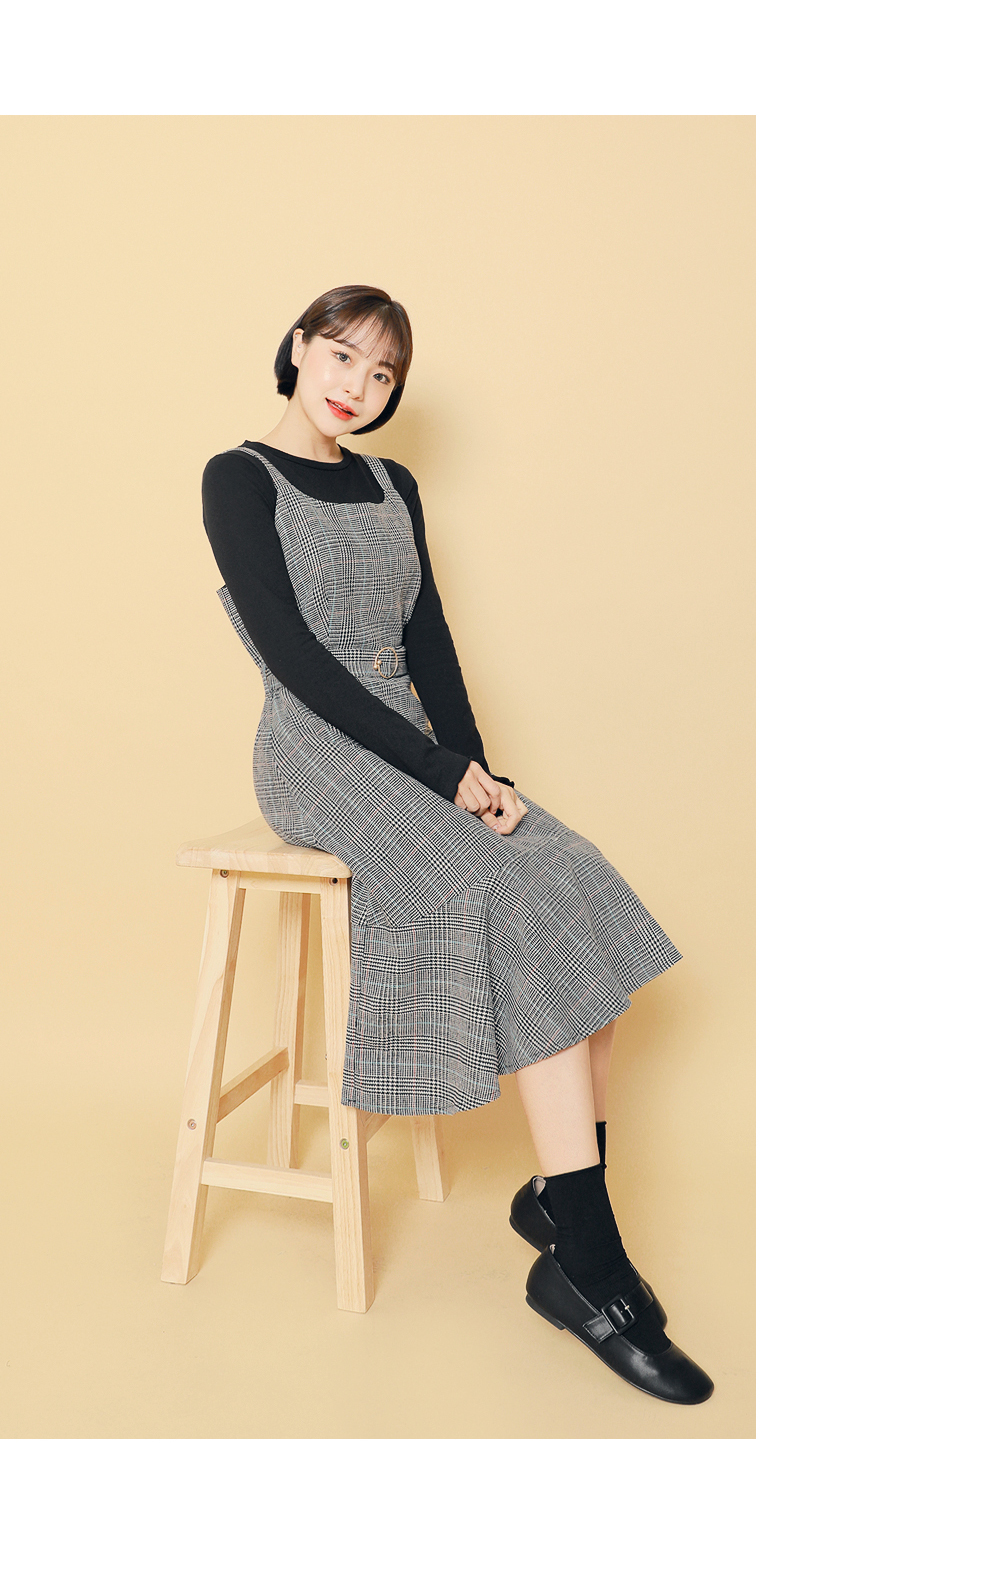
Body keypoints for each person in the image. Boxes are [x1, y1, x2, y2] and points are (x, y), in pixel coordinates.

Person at [201, 284, 713, 1405]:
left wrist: (476, 772)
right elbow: (296, 662)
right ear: (298, 348)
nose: (358, 386)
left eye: (382, 373)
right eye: (343, 356)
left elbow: (428, 637)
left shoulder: (395, 485)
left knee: (570, 876)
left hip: (420, 747)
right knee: (511, 900)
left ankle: (561, 1200)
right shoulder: (238, 478)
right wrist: (438, 777)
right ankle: (589, 1263)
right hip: (317, 753)